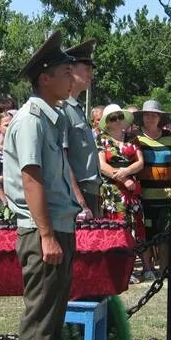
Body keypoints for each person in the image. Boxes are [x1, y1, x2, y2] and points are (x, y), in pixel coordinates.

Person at [2, 31, 84, 340]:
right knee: (40, 313)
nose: (73, 79)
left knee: (52, 313)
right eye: (66, 72)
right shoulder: (31, 120)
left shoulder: (51, 118)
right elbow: (31, 179)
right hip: (42, 231)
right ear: (45, 78)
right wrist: (48, 235)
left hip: (56, 226)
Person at [135, 100, 171, 279]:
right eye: (147, 114)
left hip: (166, 195)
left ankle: (164, 269)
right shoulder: (135, 136)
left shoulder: (169, 136)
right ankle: (147, 268)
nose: (150, 118)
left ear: (160, 117)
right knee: (146, 233)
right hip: (143, 196)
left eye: (154, 115)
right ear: (142, 117)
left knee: (164, 234)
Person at [63, 39, 102, 218]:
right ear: (70, 69)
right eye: (87, 69)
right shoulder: (62, 109)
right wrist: (80, 202)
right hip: (77, 193)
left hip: (90, 191)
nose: (91, 76)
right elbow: (63, 161)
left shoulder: (76, 109)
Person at [98, 103, 145, 243]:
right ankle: (121, 264)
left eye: (120, 116)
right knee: (116, 230)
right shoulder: (101, 139)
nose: (117, 120)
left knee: (138, 226)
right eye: (113, 118)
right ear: (107, 122)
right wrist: (124, 179)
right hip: (113, 191)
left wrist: (127, 171)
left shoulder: (132, 138)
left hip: (133, 189)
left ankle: (147, 264)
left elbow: (140, 162)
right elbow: (101, 165)